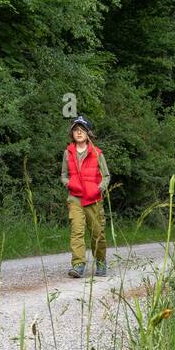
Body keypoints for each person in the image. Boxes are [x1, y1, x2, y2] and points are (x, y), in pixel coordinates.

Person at [60, 116, 110, 278]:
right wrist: (69, 184)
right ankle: (78, 265)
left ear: (88, 133)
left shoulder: (97, 153)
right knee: (77, 232)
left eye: (82, 130)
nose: (79, 132)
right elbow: (63, 175)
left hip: (94, 199)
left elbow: (106, 176)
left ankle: (101, 261)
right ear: (72, 134)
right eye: (76, 130)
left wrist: (99, 189)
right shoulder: (68, 153)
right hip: (75, 198)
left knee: (98, 234)